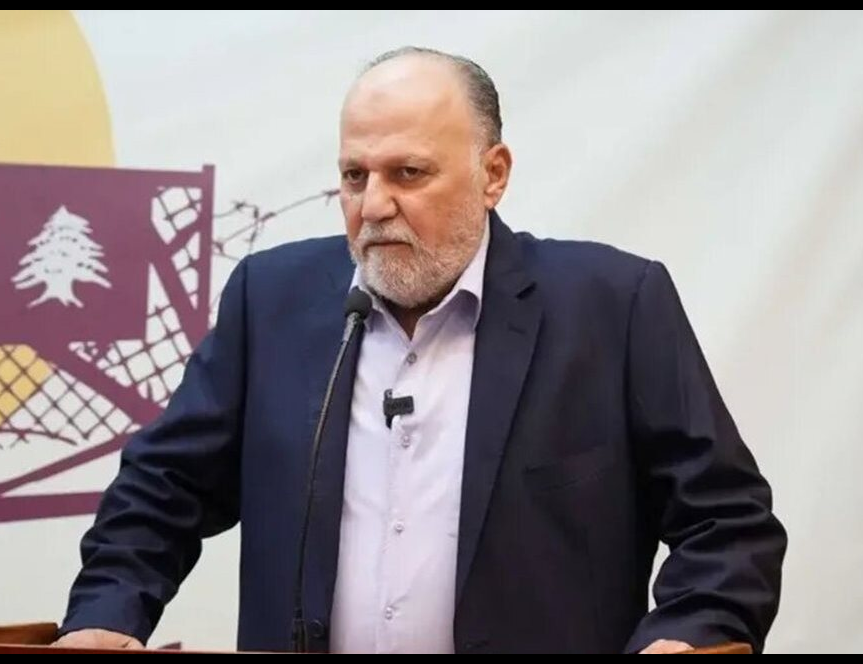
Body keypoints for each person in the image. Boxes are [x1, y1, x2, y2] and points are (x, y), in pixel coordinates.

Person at [53, 46, 786, 654]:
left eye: (408, 173)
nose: (373, 206)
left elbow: (727, 523)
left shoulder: (611, 307)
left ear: (493, 174)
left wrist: (687, 634)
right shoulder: (270, 301)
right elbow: (163, 489)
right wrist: (105, 614)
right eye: (354, 176)